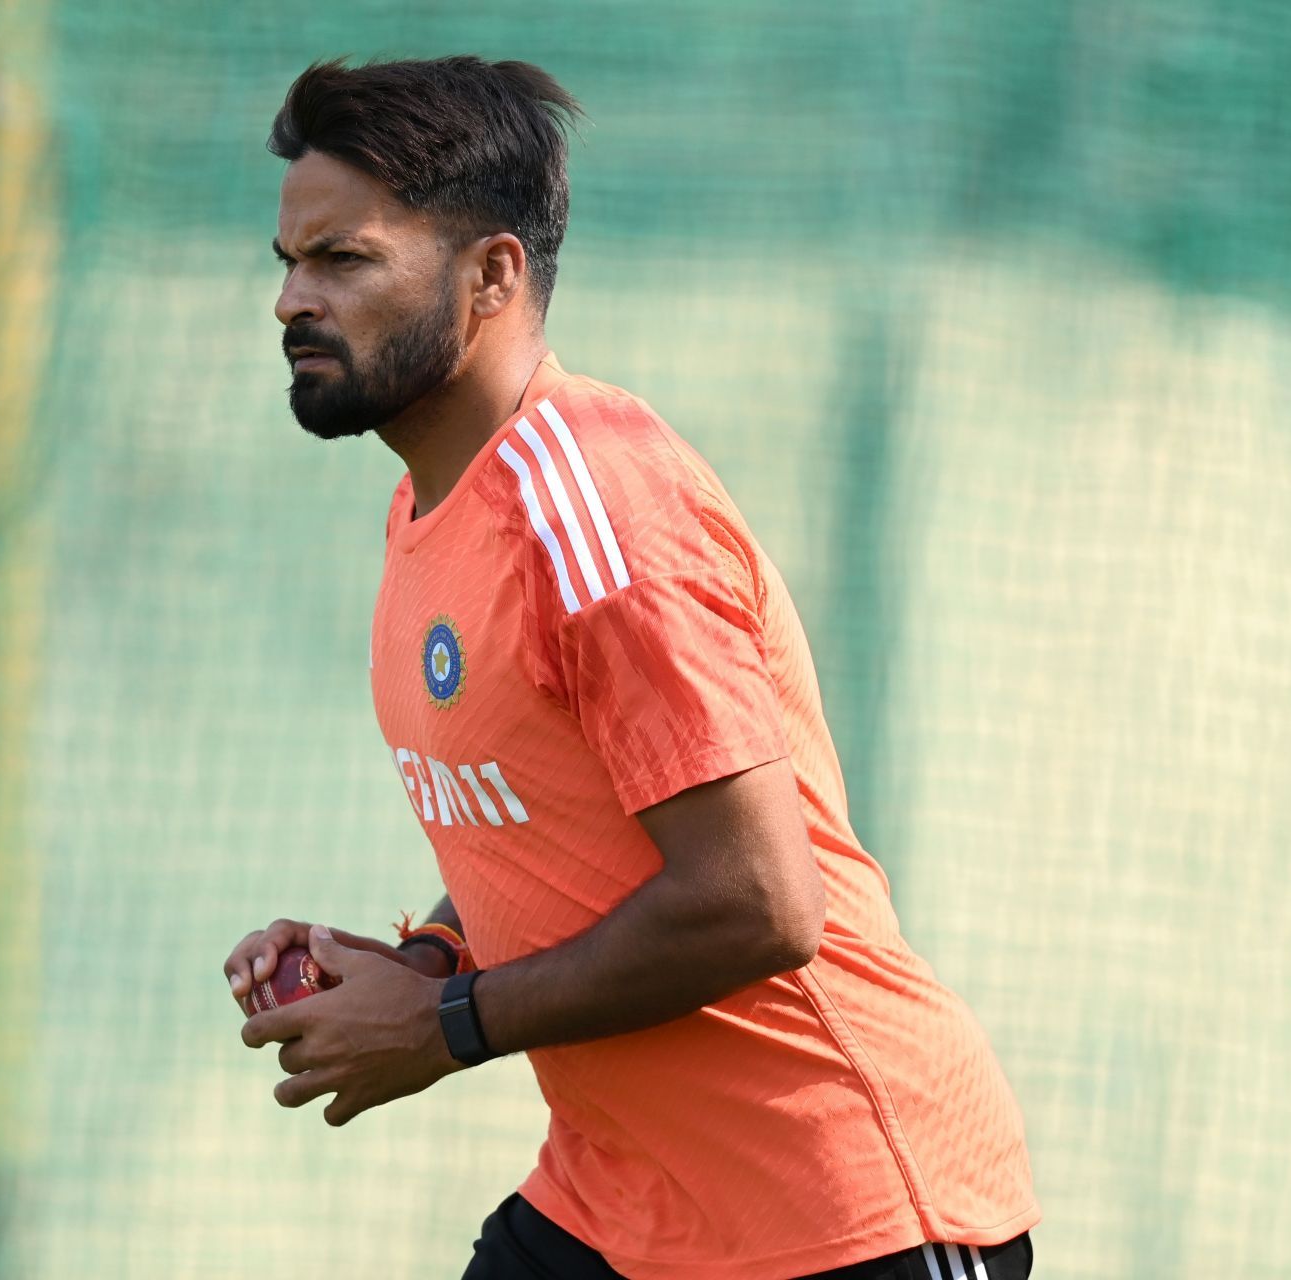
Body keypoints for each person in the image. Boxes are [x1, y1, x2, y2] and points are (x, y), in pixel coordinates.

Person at [225, 56, 1038, 1280]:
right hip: (620, 1207)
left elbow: (759, 898)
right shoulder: (431, 511)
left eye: (344, 260)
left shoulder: (595, 504)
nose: (293, 298)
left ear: (494, 273)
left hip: (841, 1216)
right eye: (287, 261)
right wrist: (426, 960)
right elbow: (571, 832)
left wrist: (445, 1026)